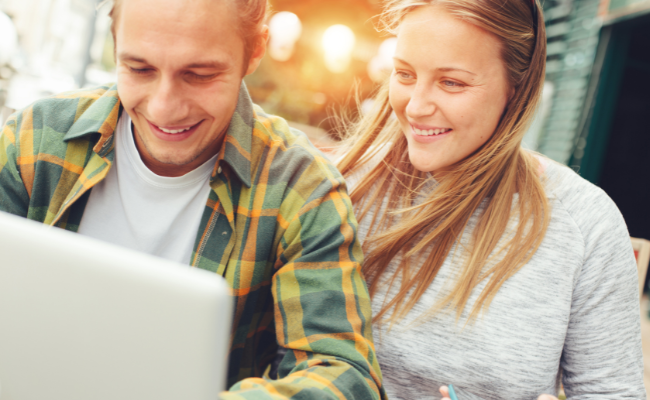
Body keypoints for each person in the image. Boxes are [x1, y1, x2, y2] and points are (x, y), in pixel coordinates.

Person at [0, 0, 386, 398]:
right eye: (139, 68)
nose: (164, 107)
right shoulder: (35, 138)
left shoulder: (301, 188)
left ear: (254, 51)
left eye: (199, 75)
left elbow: (344, 376)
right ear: (115, 44)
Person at [336, 0, 645, 399]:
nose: (415, 106)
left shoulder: (586, 223)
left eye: (452, 82)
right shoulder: (343, 188)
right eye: (405, 74)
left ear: (515, 89)